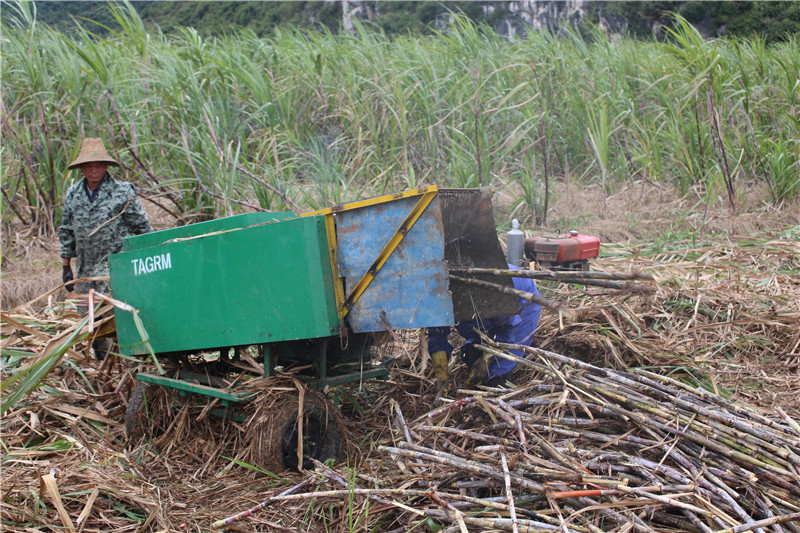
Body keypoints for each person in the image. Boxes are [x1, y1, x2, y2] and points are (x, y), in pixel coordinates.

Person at [59, 137, 153, 360]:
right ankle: (103, 366)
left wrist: (150, 256)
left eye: (98, 165)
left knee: (117, 318)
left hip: (115, 268)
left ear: (105, 167)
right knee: (91, 321)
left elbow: (142, 227)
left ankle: (127, 364)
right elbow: (66, 230)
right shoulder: (73, 195)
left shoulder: (122, 192)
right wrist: (66, 265)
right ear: (82, 169)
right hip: (86, 271)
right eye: (89, 166)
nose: (94, 171)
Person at [428, 264, 541, 391]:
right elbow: (437, 333)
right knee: (471, 356)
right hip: (479, 304)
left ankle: (498, 381)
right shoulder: (438, 294)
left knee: (496, 373)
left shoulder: (491, 293)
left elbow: (509, 326)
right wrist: (441, 370)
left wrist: (489, 358)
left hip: (521, 304)